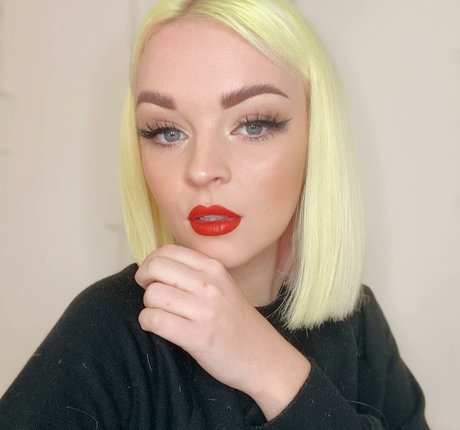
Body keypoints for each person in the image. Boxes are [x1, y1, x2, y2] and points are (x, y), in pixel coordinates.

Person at [0, 0, 429, 428]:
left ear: (316, 137)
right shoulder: (107, 334)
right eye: (167, 132)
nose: (202, 170)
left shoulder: (356, 325)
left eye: (253, 125)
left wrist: (273, 370)